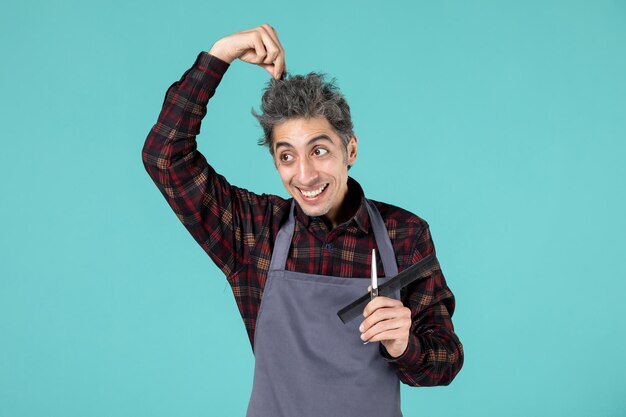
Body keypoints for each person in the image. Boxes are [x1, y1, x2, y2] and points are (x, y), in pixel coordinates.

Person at [142, 24, 463, 417]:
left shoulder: (405, 235)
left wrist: (404, 345)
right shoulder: (254, 232)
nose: (305, 175)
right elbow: (164, 157)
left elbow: (446, 360)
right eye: (287, 156)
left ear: (351, 149)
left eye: (320, 150)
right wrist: (220, 54)